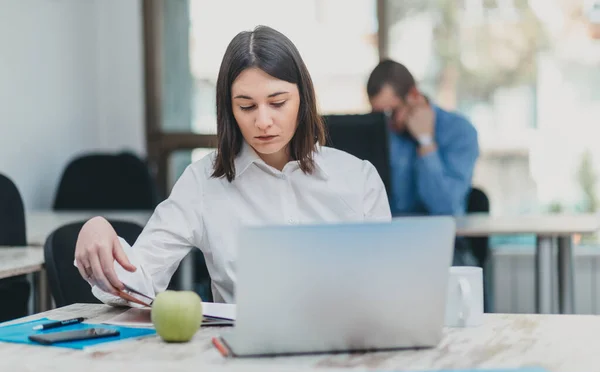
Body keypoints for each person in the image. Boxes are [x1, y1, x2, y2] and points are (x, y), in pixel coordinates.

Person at [74, 26, 391, 306]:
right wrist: (98, 235)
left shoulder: (358, 178)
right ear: (229, 110)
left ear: (303, 101)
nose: (263, 121)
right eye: (246, 106)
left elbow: (390, 289)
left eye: (278, 103)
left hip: (346, 354)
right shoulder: (202, 182)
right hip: (245, 361)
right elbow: (136, 284)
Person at [367, 59, 480, 265]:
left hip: (443, 246)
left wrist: (425, 141)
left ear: (414, 96)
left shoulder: (460, 132)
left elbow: (445, 207)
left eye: (392, 112)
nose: (387, 123)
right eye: (378, 115)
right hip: (390, 245)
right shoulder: (383, 134)